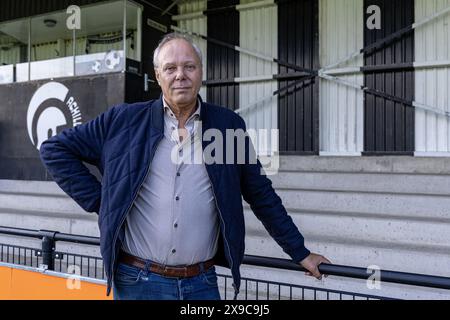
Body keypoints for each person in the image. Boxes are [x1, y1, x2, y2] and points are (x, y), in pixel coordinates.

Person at [39, 32, 331, 300]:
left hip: (201, 284)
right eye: (170, 68)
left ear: (201, 73)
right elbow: (54, 150)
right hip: (136, 283)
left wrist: (299, 252)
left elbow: (261, 194)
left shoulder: (227, 126)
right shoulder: (124, 121)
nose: (180, 75)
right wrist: (102, 201)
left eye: (189, 67)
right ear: (157, 75)